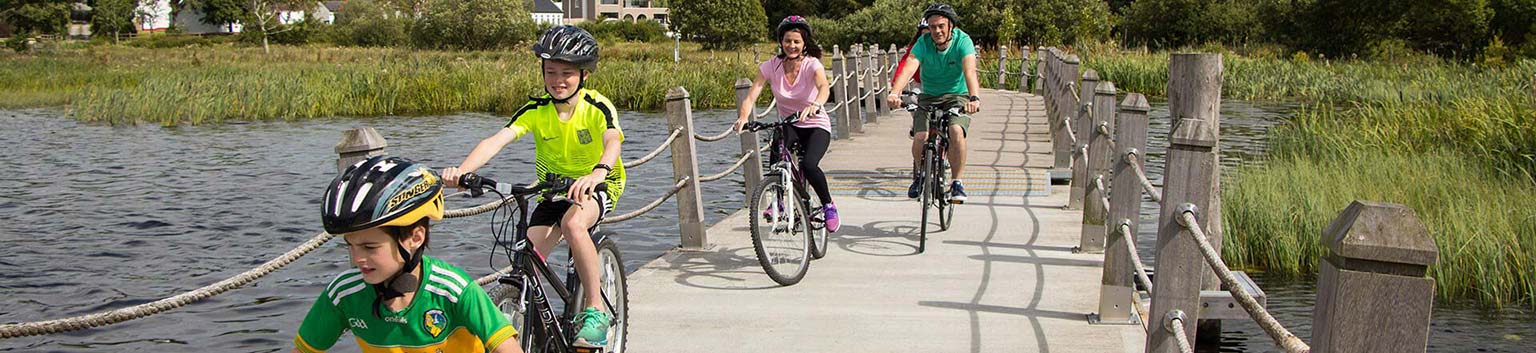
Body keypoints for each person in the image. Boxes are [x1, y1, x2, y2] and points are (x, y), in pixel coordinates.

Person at [441, 25, 624, 348]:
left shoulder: (597, 106)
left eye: (567, 73)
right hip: (552, 190)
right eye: (551, 72)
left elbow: (612, 141)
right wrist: (462, 172)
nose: (558, 80)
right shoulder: (536, 110)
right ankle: (534, 325)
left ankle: (595, 308)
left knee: (573, 224)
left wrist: (598, 172)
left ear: (584, 75)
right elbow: (497, 140)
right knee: (525, 257)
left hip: (597, 186)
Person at [295, 156, 522, 353]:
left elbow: (508, 347)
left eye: (370, 247)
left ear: (415, 238)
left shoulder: (452, 289)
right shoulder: (344, 293)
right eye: (350, 246)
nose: (356, 259)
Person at [732, 15, 840, 232]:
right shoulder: (770, 66)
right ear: (781, 41)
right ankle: (778, 202)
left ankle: (829, 205)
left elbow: (824, 87)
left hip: (815, 124)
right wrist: (744, 117)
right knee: (777, 155)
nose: (792, 45)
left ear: (804, 43)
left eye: (797, 41)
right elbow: (751, 95)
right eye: (788, 41)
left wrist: (816, 105)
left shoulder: (812, 64)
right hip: (789, 124)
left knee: (809, 165)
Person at [885, 3, 981, 204]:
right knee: (920, 135)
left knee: (956, 131)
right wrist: (895, 92)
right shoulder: (924, 42)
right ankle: (920, 175)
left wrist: (974, 97)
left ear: (951, 26)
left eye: (941, 26)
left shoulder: (963, 41)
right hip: (928, 95)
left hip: (957, 94)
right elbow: (910, 66)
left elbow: (970, 71)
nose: (936, 31)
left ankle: (956, 182)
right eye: (932, 26)